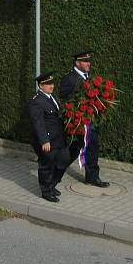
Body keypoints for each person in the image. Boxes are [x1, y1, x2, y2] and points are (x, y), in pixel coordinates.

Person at [60, 51, 109, 188]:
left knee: (93, 146)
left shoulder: (89, 77)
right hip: (78, 122)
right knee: (74, 150)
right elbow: (63, 99)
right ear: (77, 63)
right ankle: (55, 171)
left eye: (89, 61)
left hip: (91, 121)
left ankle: (92, 177)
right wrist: (77, 108)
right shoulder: (69, 78)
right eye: (86, 61)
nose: (89, 64)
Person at [29, 71, 70, 202]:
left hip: (59, 138)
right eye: (47, 84)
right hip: (48, 140)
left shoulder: (52, 97)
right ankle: (46, 191)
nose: (51, 86)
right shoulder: (36, 101)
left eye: (52, 83)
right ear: (41, 86)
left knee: (63, 161)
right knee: (46, 165)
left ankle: (51, 184)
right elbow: (38, 123)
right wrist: (44, 140)